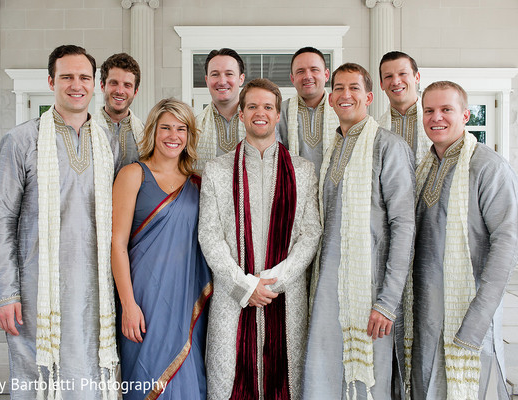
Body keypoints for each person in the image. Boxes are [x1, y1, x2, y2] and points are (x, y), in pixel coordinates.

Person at [0, 44, 120, 399]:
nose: (76, 85)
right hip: (36, 289)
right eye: (67, 77)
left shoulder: (109, 141)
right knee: (37, 377)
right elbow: (0, 218)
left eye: (84, 78)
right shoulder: (21, 140)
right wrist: (4, 294)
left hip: (94, 286)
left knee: (91, 371)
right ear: (51, 81)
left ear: (96, 85)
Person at [199, 78, 321, 400]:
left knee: (287, 382)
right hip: (232, 297)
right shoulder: (217, 170)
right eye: (252, 106)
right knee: (228, 381)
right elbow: (209, 235)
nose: (260, 113)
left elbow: (311, 233)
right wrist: (244, 285)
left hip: (285, 296)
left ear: (278, 115)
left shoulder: (303, 171)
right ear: (241, 114)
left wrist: (270, 282)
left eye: (268, 107)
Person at [304, 63, 415, 400]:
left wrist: (386, 302)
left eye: (354, 87)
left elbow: (404, 225)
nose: (345, 94)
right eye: (338, 87)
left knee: (368, 382)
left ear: (368, 96)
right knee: (322, 373)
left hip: (370, 292)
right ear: (331, 98)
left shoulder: (388, 146)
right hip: (327, 288)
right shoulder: (331, 149)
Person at [408, 81, 518, 400]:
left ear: (466, 115)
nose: (436, 118)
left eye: (447, 109)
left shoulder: (489, 167)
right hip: (426, 312)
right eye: (429, 110)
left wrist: (479, 316)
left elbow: (507, 245)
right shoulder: (425, 168)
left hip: (467, 311)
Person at [112, 98, 212, 400]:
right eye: (165, 127)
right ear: (153, 131)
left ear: (189, 135)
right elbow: (117, 244)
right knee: (143, 375)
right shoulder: (133, 175)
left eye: (181, 128)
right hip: (143, 299)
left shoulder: (199, 182)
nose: (173, 135)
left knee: (187, 374)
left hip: (186, 297)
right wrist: (128, 305)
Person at [277, 47, 339, 178]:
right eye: (300, 71)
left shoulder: (341, 110)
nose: (307, 76)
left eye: (314, 70)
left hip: (333, 193)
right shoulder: (280, 111)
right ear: (292, 78)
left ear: (326, 75)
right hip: (293, 192)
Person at [195, 48, 246, 171]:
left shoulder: (258, 121)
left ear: (241, 79)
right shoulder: (194, 126)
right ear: (207, 80)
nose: (222, 81)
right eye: (215, 74)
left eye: (229, 74)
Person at [377, 51, 431, 164]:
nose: (396, 81)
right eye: (388, 76)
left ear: (417, 77)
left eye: (402, 74)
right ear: (381, 84)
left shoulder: (437, 122)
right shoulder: (375, 130)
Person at [94, 52, 144, 167]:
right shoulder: (85, 129)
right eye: (114, 83)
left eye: (127, 85)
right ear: (102, 86)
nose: (120, 91)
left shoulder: (145, 134)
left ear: (135, 92)